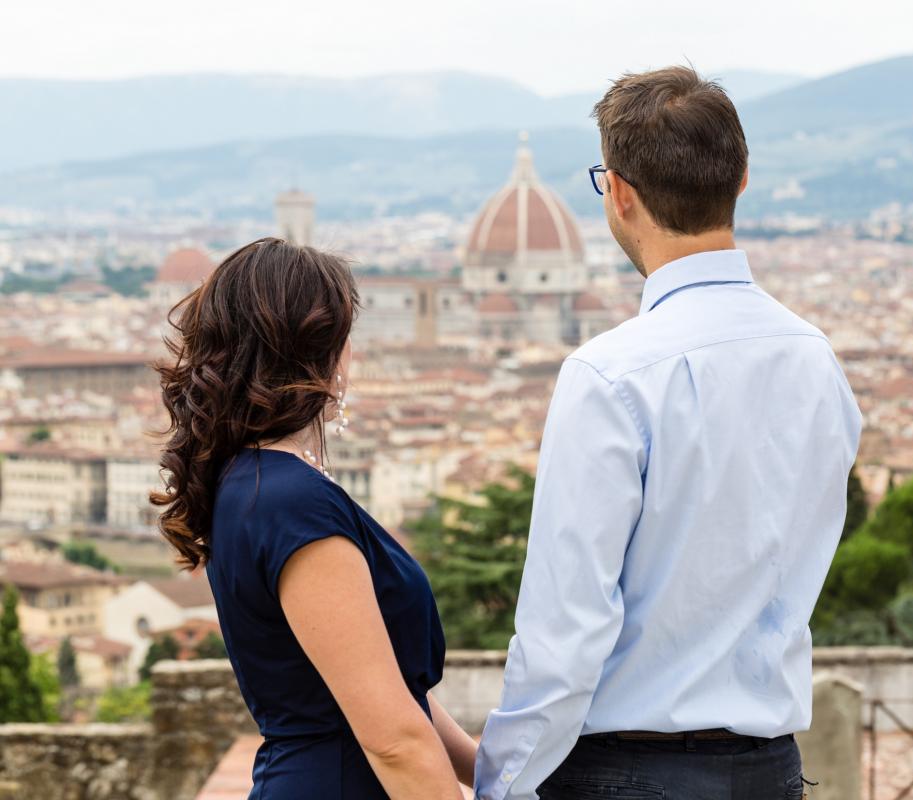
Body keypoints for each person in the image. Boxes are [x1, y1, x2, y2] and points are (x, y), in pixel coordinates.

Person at [475, 67, 862, 800]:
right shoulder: (817, 362)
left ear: (618, 194)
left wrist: (502, 786)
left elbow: (564, 635)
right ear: (742, 178)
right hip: (771, 770)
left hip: (625, 774)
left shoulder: (609, 377)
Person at [150, 238, 476, 799]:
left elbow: (397, 696)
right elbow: (392, 739)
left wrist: (494, 772)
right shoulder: (293, 503)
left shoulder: (252, 484)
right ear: (322, 351)